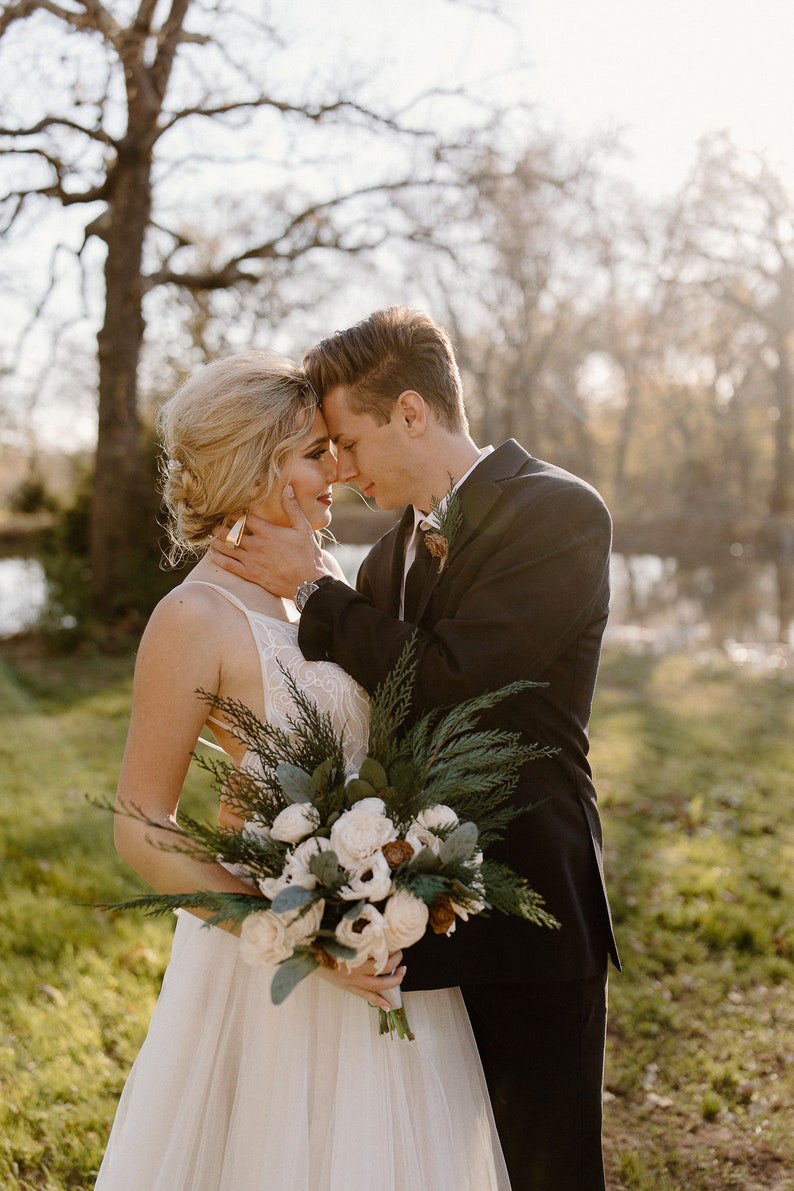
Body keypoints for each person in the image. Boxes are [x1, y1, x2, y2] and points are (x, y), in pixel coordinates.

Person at [210, 307, 621, 1191]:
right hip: (409, 912)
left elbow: (462, 678)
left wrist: (314, 592)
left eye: (348, 442)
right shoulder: (381, 563)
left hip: (533, 911)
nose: (343, 471)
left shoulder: (560, 511)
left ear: (410, 412)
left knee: (547, 1170)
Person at [95, 350, 510, 1191]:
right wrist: (307, 936)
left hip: (385, 949)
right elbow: (141, 823)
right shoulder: (194, 616)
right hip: (275, 971)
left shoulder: (318, 590)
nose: (340, 471)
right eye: (316, 452)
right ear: (255, 466)